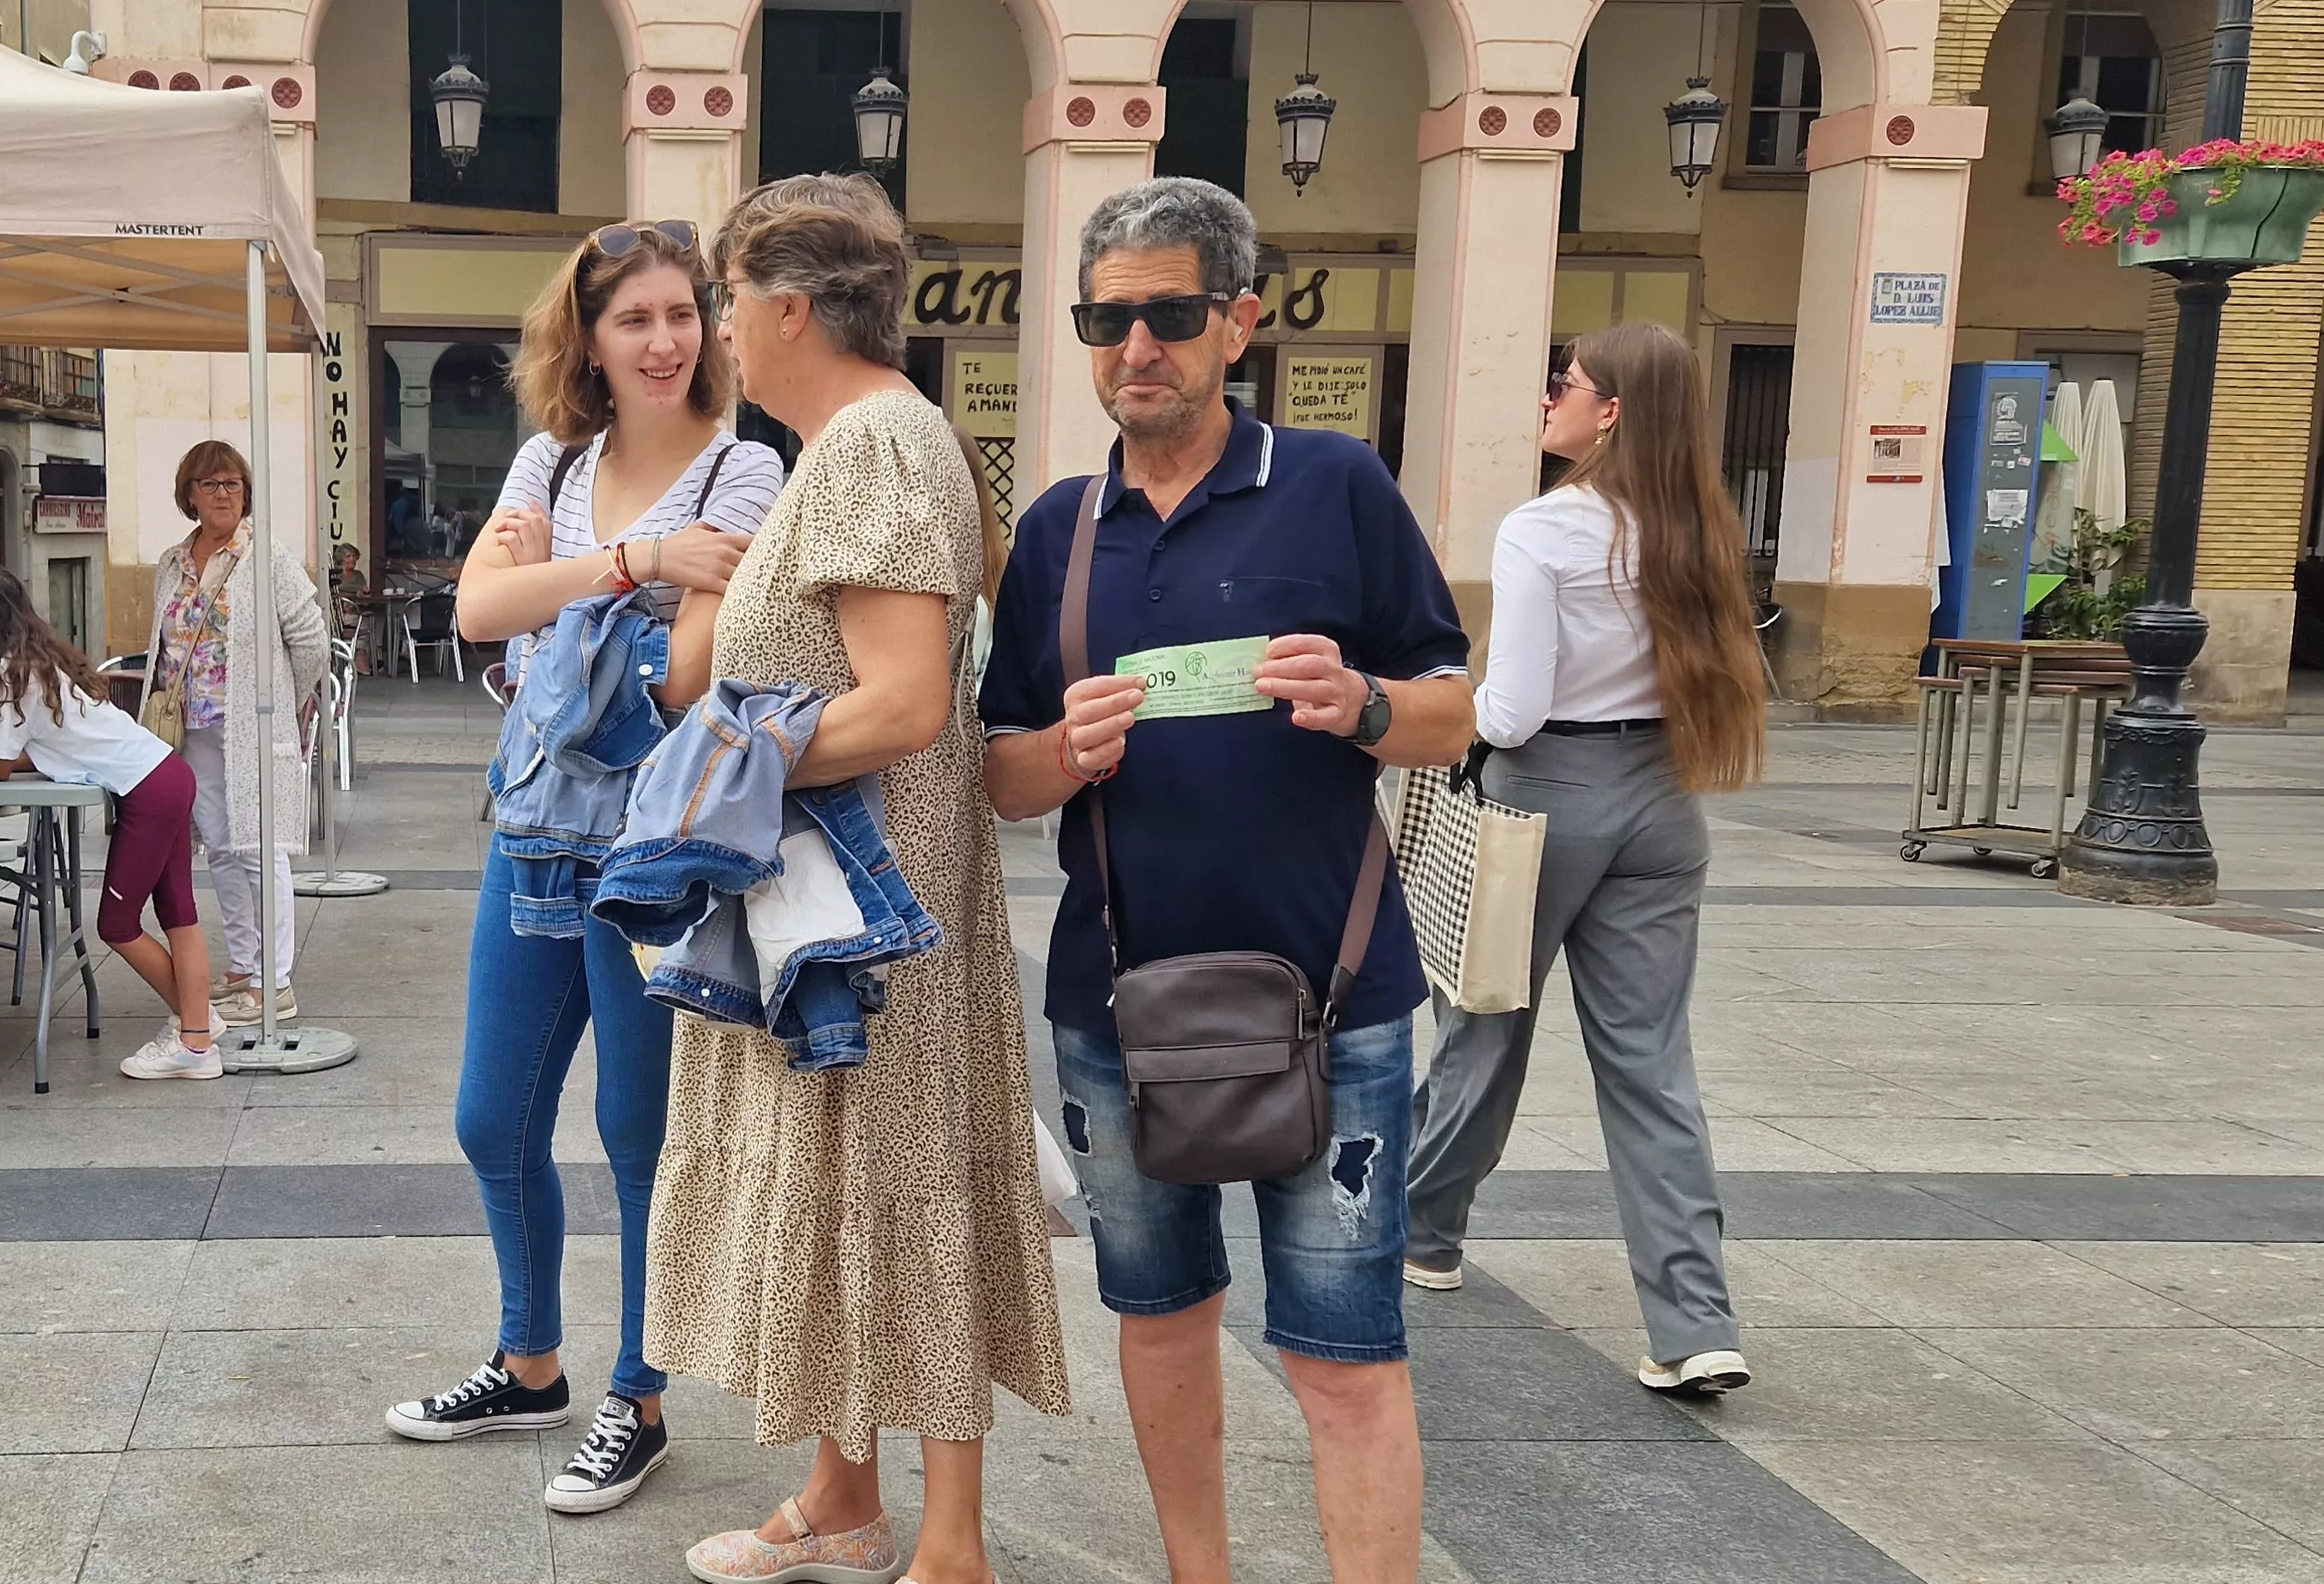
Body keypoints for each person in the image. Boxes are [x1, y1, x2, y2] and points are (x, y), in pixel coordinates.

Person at [977, 177, 1474, 1584]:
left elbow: (1454, 712)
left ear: (1239, 322)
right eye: (1107, 321)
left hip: (1333, 995)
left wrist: (1364, 703)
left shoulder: (1333, 485)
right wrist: (1062, 753)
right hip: (1118, 1004)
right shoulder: (1059, 529)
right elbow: (999, 772)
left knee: (1342, 1353)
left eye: (1171, 315)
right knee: (1160, 1316)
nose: (1137, 347)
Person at [647, 174, 1065, 1584]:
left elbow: (904, 704)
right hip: (842, 902)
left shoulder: (876, 442)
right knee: (852, 1188)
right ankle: (843, 1497)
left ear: (788, 308)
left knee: (900, 1186)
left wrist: (722, 773)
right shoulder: (856, 440)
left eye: (724, 301)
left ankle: (952, 1546)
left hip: (870, 914)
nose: (717, 330)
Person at [383, 216, 782, 1517]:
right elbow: (475, 612)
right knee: (489, 1118)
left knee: (636, 1133)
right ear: (590, 341)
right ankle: (530, 1365)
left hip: (654, 849)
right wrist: (640, 565)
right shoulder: (554, 457)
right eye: (634, 319)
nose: (663, 341)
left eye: (681, 314)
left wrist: (559, 597)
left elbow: (684, 674)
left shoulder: (743, 472)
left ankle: (639, 1398)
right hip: (533, 827)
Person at [1401, 320, 1771, 1398]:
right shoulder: (1699, 527)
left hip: (1544, 796)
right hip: (1663, 797)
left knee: (1483, 1025)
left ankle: (1423, 1233)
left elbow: (1512, 712)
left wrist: (1432, 714)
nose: (1546, 399)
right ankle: (1695, 1322)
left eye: (1563, 383)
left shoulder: (1543, 529)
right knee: (1651, 1063)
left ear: (1609, 411)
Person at [0, 566, 218, 1077]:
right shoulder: (37, 658)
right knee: (178, 914)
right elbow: (39, 748)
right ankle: (200, 1027)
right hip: (166, 773)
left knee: (116, 924)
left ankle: (197, 1039)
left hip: (147, 790)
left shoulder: (7, 672)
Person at [141, 441, 327, 1027]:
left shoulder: (265, 556)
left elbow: (311, 640)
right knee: (220, 846)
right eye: (210, 484)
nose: (223, 494)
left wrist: (281, 702)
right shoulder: (172, 562)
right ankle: (245, 966)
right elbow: (163, 645)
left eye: (233, 484)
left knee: (260, 848)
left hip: (251, 723)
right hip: (191, 724)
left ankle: (276, 983)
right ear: (189, 494)